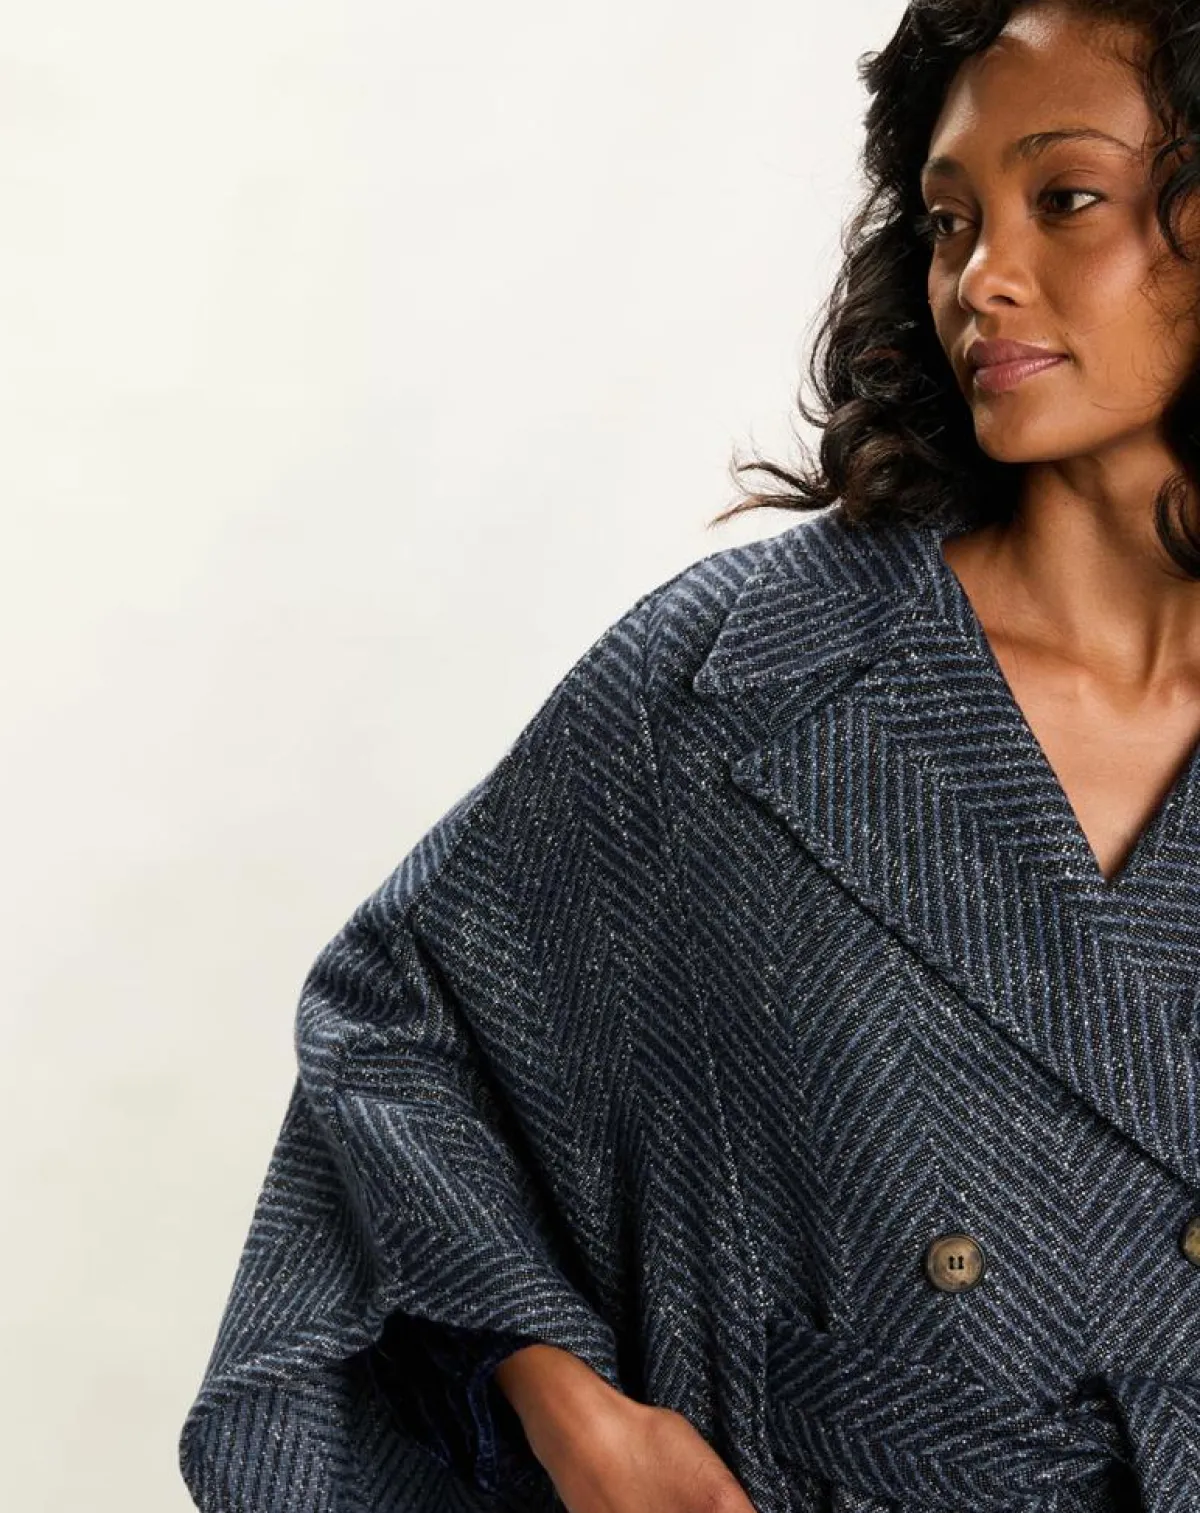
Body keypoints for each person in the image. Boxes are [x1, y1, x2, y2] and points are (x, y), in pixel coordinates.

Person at [178, 2, 1200, 1510]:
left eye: (1066, 198)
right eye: (947, 219)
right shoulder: (748, 674)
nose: (981, 274)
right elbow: (399, 1029)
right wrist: (572, 1414)